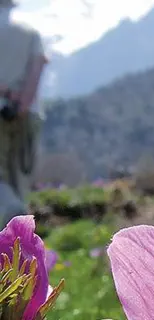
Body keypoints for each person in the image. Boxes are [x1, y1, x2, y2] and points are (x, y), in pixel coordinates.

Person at [0, 0, 48, 226]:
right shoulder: (30, 33)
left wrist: (7, 93)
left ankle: (11, 219)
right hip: (26, 114)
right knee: (20, 174)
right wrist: (22, 103)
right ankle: (20, 230)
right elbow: (38, 66)